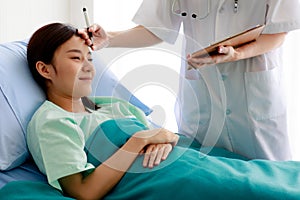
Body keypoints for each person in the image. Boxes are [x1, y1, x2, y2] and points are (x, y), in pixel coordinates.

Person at [24, 22, 300, 200]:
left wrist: (159, 136)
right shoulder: (52, 121)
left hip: (183, 158)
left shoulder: (112, 105)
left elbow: (163, 134)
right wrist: (139, 141)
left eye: (90, 58)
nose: (88, 66)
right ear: (44, 68)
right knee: (251, 190)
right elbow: (84, 191)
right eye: (75, 58)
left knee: (256, 173)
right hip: (159, 177)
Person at [81, 0, 300, 161]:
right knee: (208, 178)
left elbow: (277, 32)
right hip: (203, 96)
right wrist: (109, 38)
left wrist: (237, 54)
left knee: (271, 178)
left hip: (253, 98)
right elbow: (156, 28)